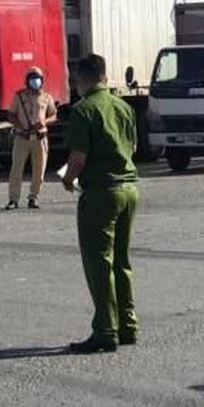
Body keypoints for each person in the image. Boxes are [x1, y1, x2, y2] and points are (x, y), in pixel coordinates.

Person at [61, 54, 140, 354]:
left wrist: (68, 180)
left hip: (101, 192)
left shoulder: (83, 110)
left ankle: (106, 329)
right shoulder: (124, 107)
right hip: (129, 188)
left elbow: (78, 157)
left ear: (82, 80)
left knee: (98, 262)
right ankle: (127, 324)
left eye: (75, 81)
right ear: (104, 76)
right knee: (122, 260)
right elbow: (133, 147)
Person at [6, 66, 58, 210]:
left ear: (42, 81)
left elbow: (53, 115)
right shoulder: (19, 96)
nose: (35, 81)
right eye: (32, 78)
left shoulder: (47, 97)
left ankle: (34, 198)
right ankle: (13, 199)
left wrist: (44, 122)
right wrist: (20, 126)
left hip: (40, 138)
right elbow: (11, 115)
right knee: (16, 169)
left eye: (38, 78)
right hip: (22, 137)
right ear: (27, 81)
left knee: (39, 170)